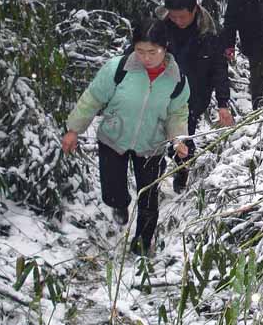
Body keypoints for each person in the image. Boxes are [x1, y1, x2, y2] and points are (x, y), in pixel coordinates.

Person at [61, 18, 190, 256]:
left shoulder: (177, 80)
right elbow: (93, 98)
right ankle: (119, 204)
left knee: (148, 200)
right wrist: (73, 130)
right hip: (114, 138)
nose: (146, 57)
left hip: (151, 145)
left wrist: (178, 139)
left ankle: (142, 245)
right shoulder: (117, 69)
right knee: (112, 192)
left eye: (153, 51)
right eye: (140, 51)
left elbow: (177, 113)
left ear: (166, 48)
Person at [156, 0, 234, 193]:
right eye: (174, 17)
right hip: (161, 90)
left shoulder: (211, 32)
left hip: (194, 94)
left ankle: (181, 175)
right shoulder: (160, 26)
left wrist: (223, 103)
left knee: (183, 136)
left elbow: (219, 69)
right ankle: (154, 177)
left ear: (194, 10)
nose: (178, 22)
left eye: (182, 17)